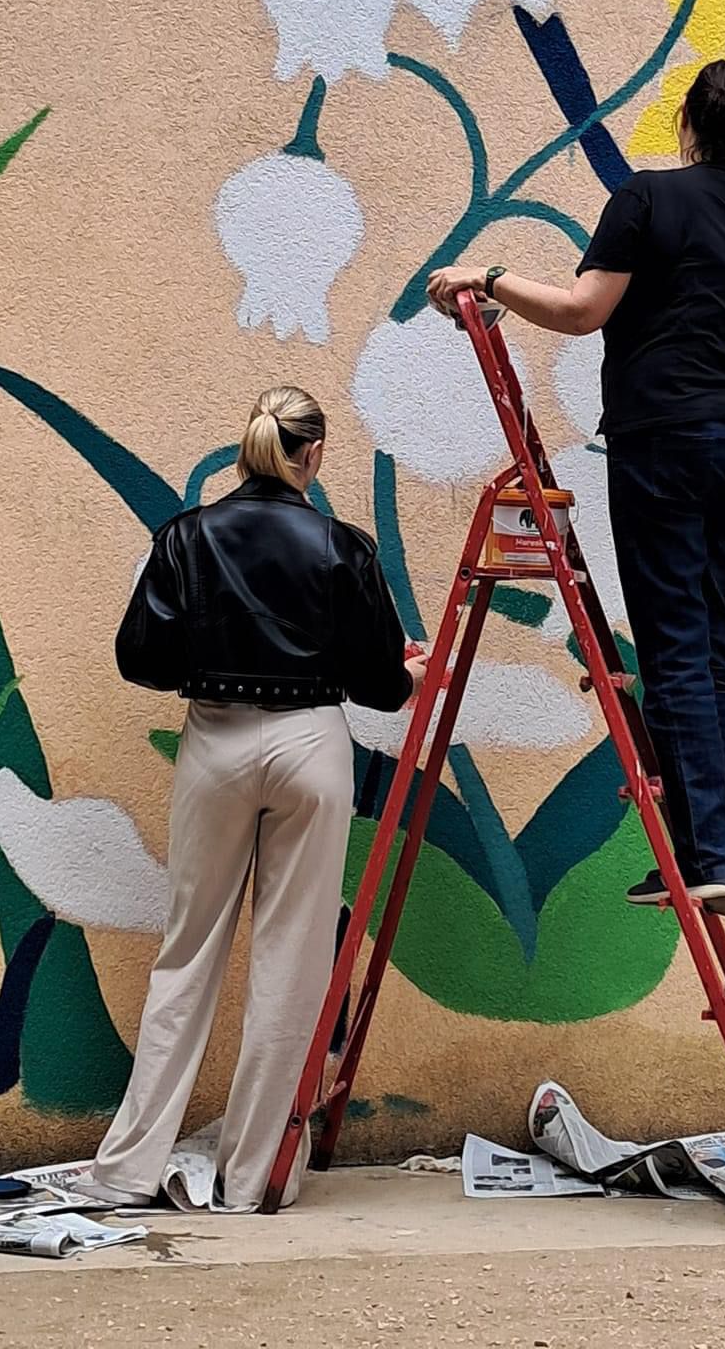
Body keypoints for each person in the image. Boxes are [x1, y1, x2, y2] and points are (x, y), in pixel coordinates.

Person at [428, 58, 725, 918]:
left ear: (685, 122)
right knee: (716, 646)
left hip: (665, 438)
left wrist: (486, 279)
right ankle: (722, 857)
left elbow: (582, 309)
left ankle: (707, 855)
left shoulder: (647, 198)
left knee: (675, 646)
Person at [84, 386, 423, 1212]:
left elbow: (139, 657)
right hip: (312, 745)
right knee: (291, 964)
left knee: (186, 954)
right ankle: (252, 1180)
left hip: (216, 741)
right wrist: (408, 673)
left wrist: (211, 658)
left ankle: (127, 1170)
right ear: (314, 454)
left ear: (248, 448)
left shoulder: (185, 537)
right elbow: (381, 686)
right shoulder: (343, 545)